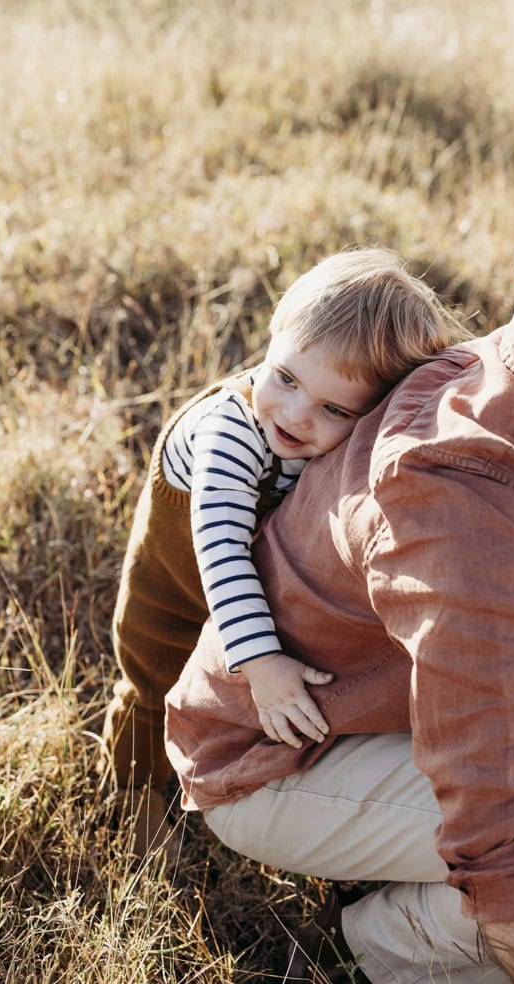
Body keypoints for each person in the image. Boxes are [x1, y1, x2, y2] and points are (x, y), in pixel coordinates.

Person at [164, 103, 514, 984]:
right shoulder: (470, 496)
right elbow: (509, 835)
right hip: (290, 747)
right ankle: (396, 956)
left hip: (449, 667)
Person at [100, 246, 463, 854]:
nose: (294, 414)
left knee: (222, 692)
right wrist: (261, 662)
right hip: (180, 591)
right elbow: (220, 546)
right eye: (286, 378)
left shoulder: (335, 433)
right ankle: (132, 800)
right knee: (154, 687)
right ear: (272, 339)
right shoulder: (234, 431)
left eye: (333, 408)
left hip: (252, 596)